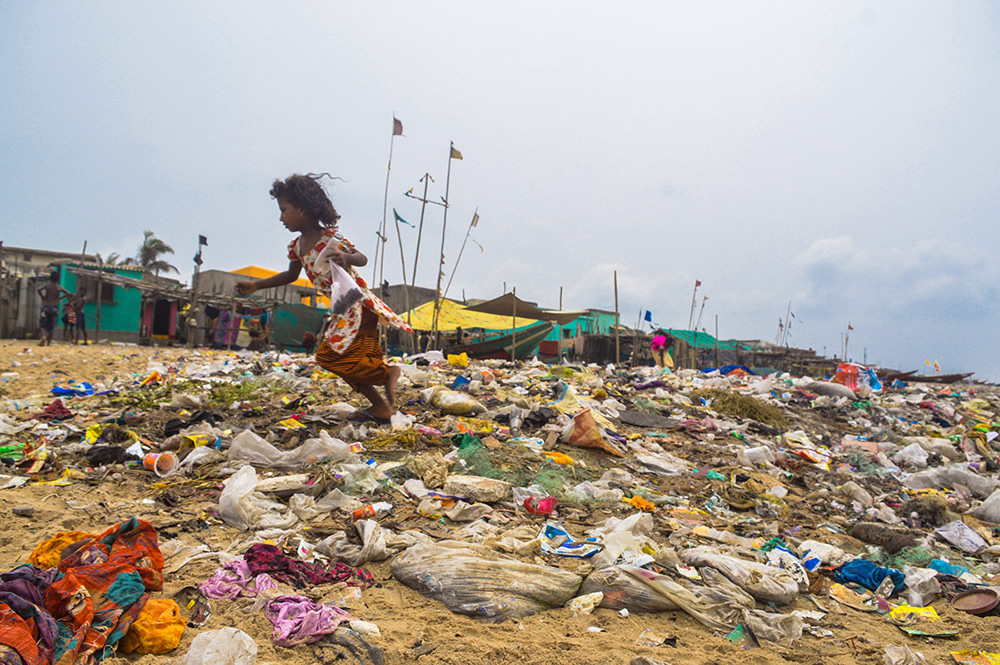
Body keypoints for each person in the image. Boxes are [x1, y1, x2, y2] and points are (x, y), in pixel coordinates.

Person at [236, 173, 412, 422]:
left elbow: (362, 258)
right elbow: (289, 275)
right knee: (343, 358)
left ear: (304, 209)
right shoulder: (296, 246)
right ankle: (381, 404)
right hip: (344, 309)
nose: (281, 217)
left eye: (284, 210)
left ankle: (386, 375)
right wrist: (256, 285)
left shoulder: (331, 239)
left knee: (330, 357)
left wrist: (347, 258)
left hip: (358, 305)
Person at [37, 272, 70, 346]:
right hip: (54, 308)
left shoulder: (47, 285)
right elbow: (68, 293)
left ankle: (43, 336)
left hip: (46, 306)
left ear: (50, 278)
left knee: (43, 324)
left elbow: (38, 289)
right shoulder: (58, 287)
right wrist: (59, 298)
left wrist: (43, 297)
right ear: (58, 279)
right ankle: (49, 342)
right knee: (51, 325)